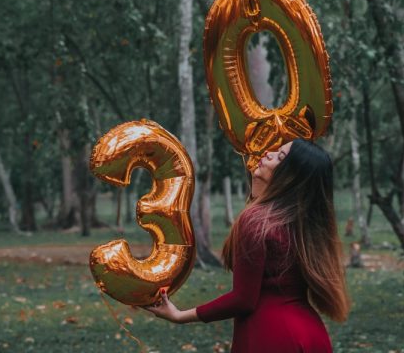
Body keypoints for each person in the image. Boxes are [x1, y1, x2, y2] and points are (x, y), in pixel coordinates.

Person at [140, 138, 350, 352]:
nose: (268, 153)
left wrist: (180, 315)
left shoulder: (256, 221)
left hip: (271, 336)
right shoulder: (303, 224)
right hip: (312, 335)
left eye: (280, 156)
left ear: (291, 176)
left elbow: (244, 299)